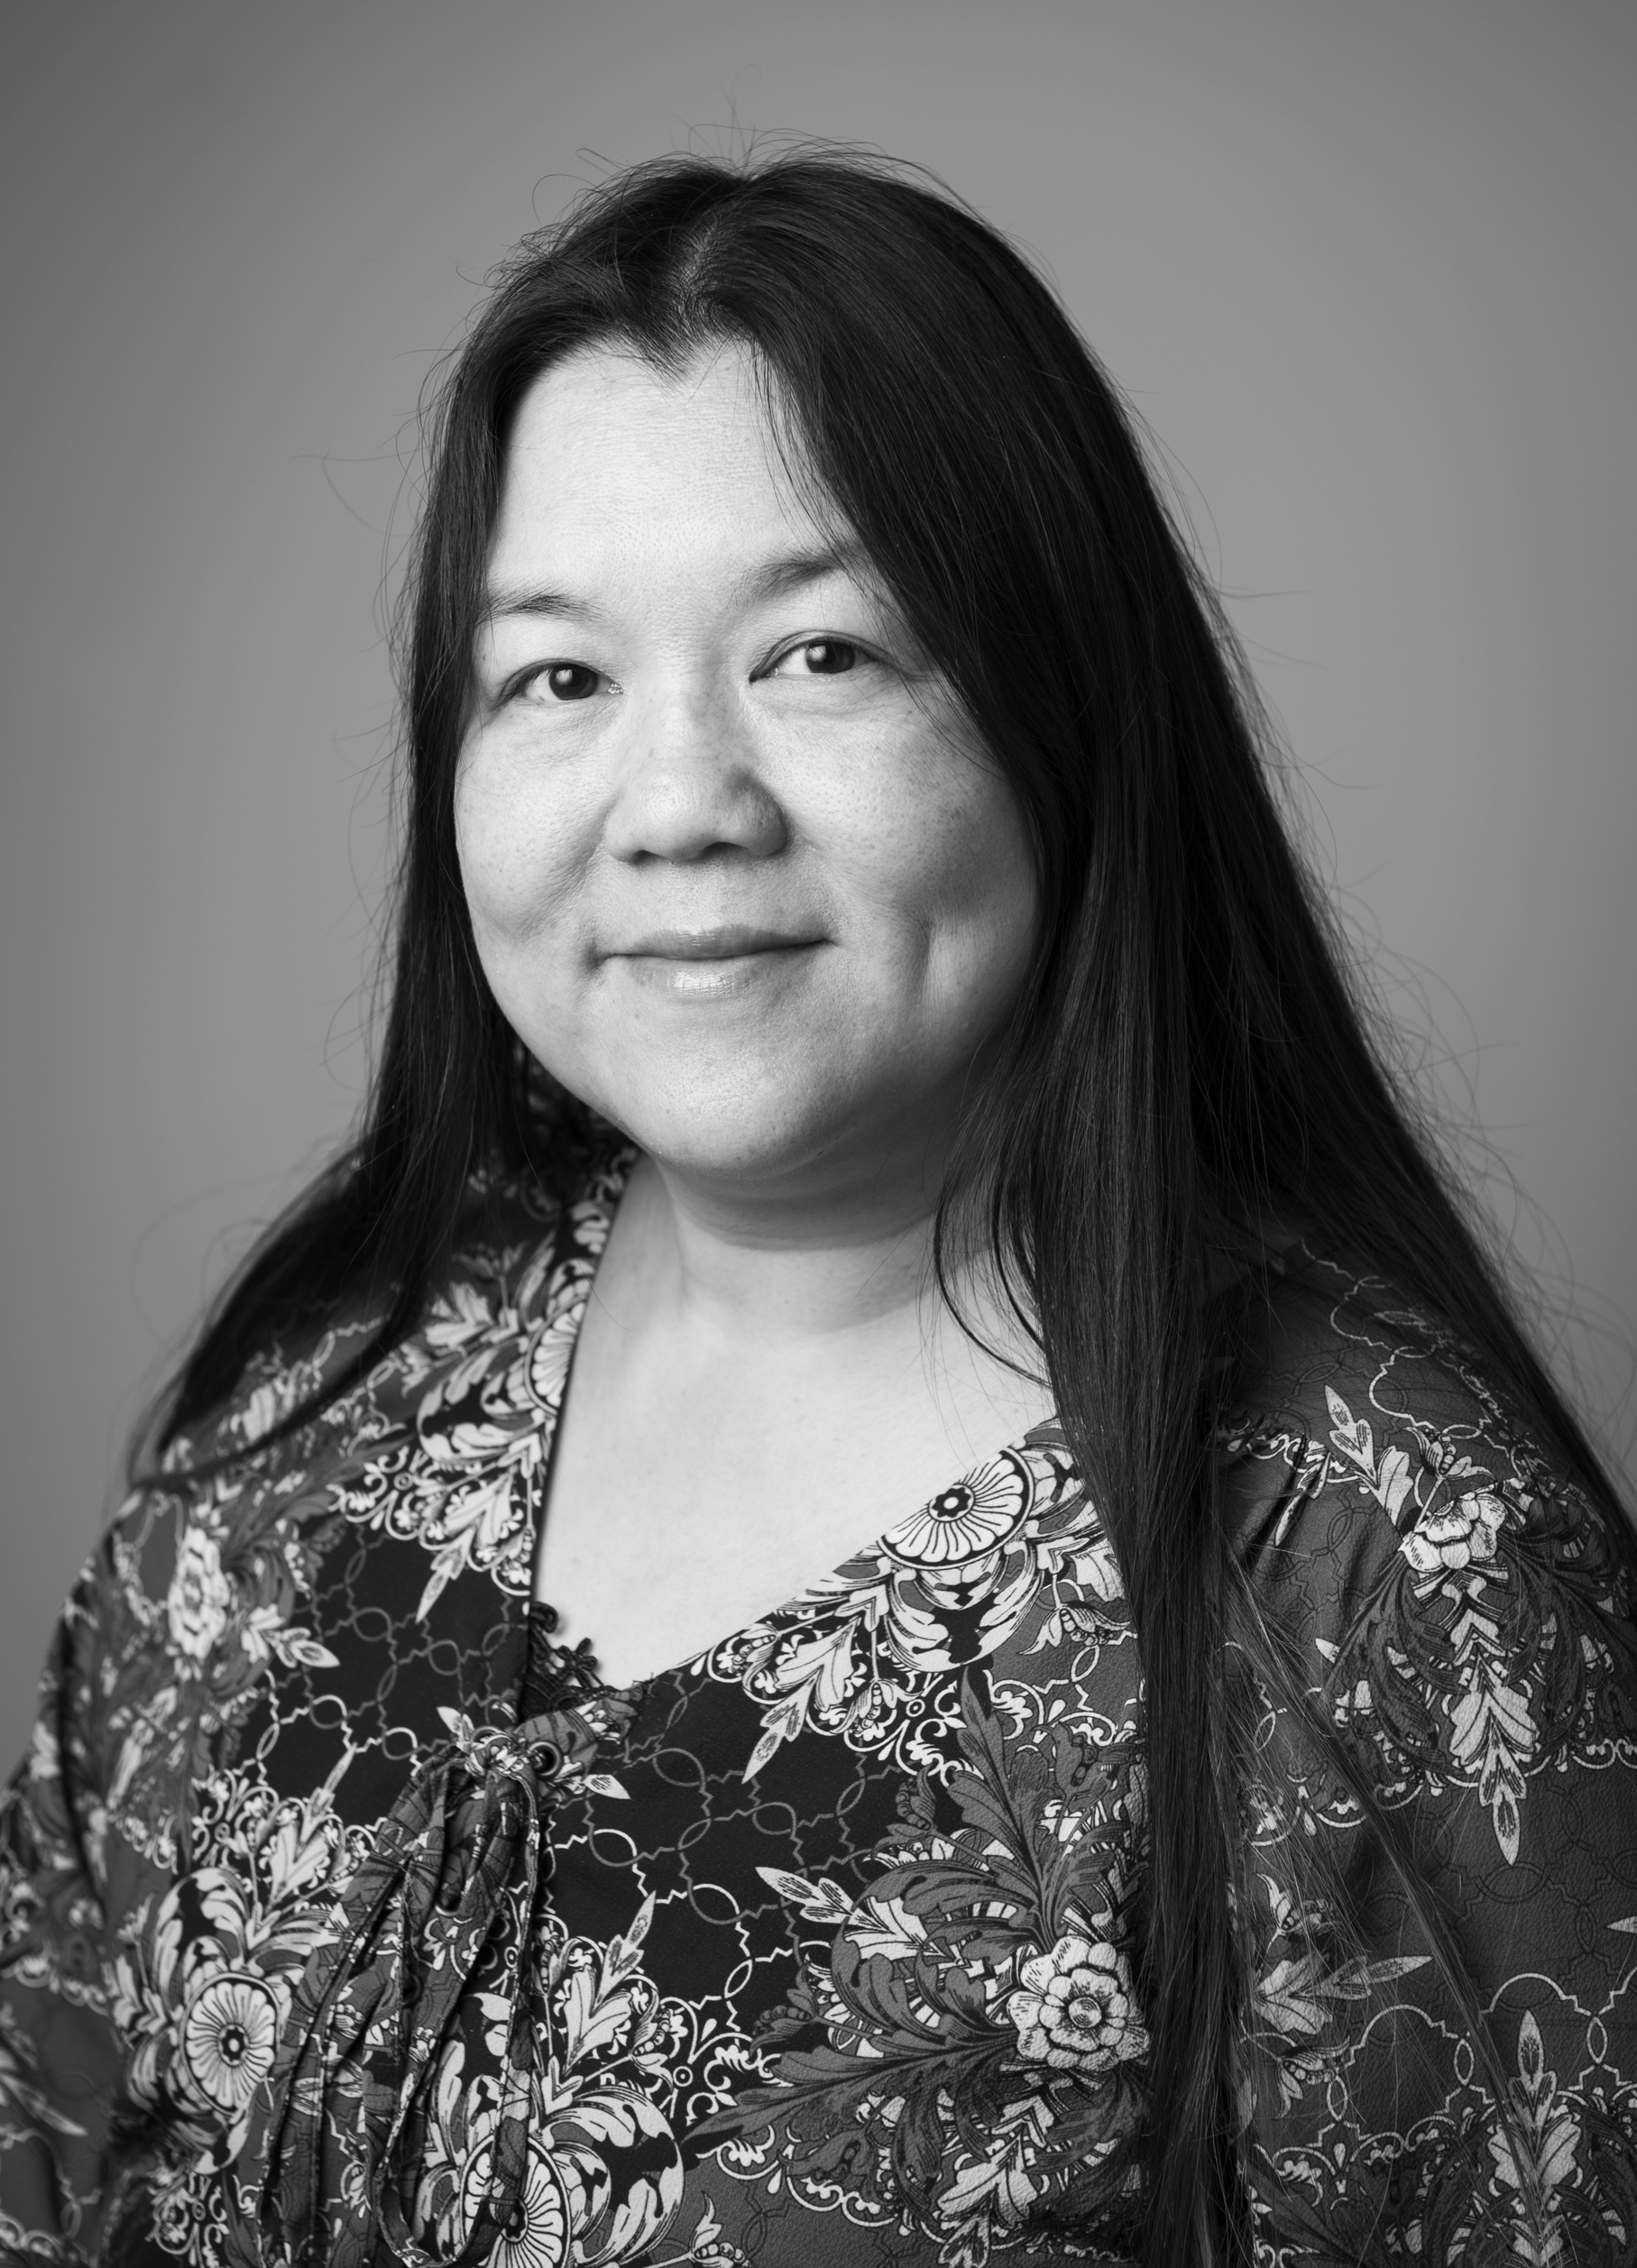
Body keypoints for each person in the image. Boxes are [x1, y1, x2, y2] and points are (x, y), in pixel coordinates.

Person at [0, 149, 1632, 2268]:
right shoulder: (309, 1423)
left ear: (1060, 715)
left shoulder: (1379, 1570)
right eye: (557, 677)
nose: (679, 803)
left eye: (822, 650)